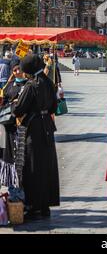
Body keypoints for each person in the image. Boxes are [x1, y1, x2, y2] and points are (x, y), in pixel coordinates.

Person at [12, 54, 60, 219]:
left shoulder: (31, 85)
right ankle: (45, 205)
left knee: (32, 166)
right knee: (46, 166)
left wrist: (14, 105)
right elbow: (54, 106)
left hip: (34, 129)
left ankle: (33, 205)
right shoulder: (48, 82)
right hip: (47, 125)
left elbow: (18, 109)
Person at [0, 59, 28, 188]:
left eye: (19, 69)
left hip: (25, 127)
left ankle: (24, 181)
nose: (17, 72)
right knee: (11, 155)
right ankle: (13, 182)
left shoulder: (29, 85)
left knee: (24, 157)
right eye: (14, 70)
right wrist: (12, 104)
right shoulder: (9, 86)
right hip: (10, 127)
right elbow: (3, 104)